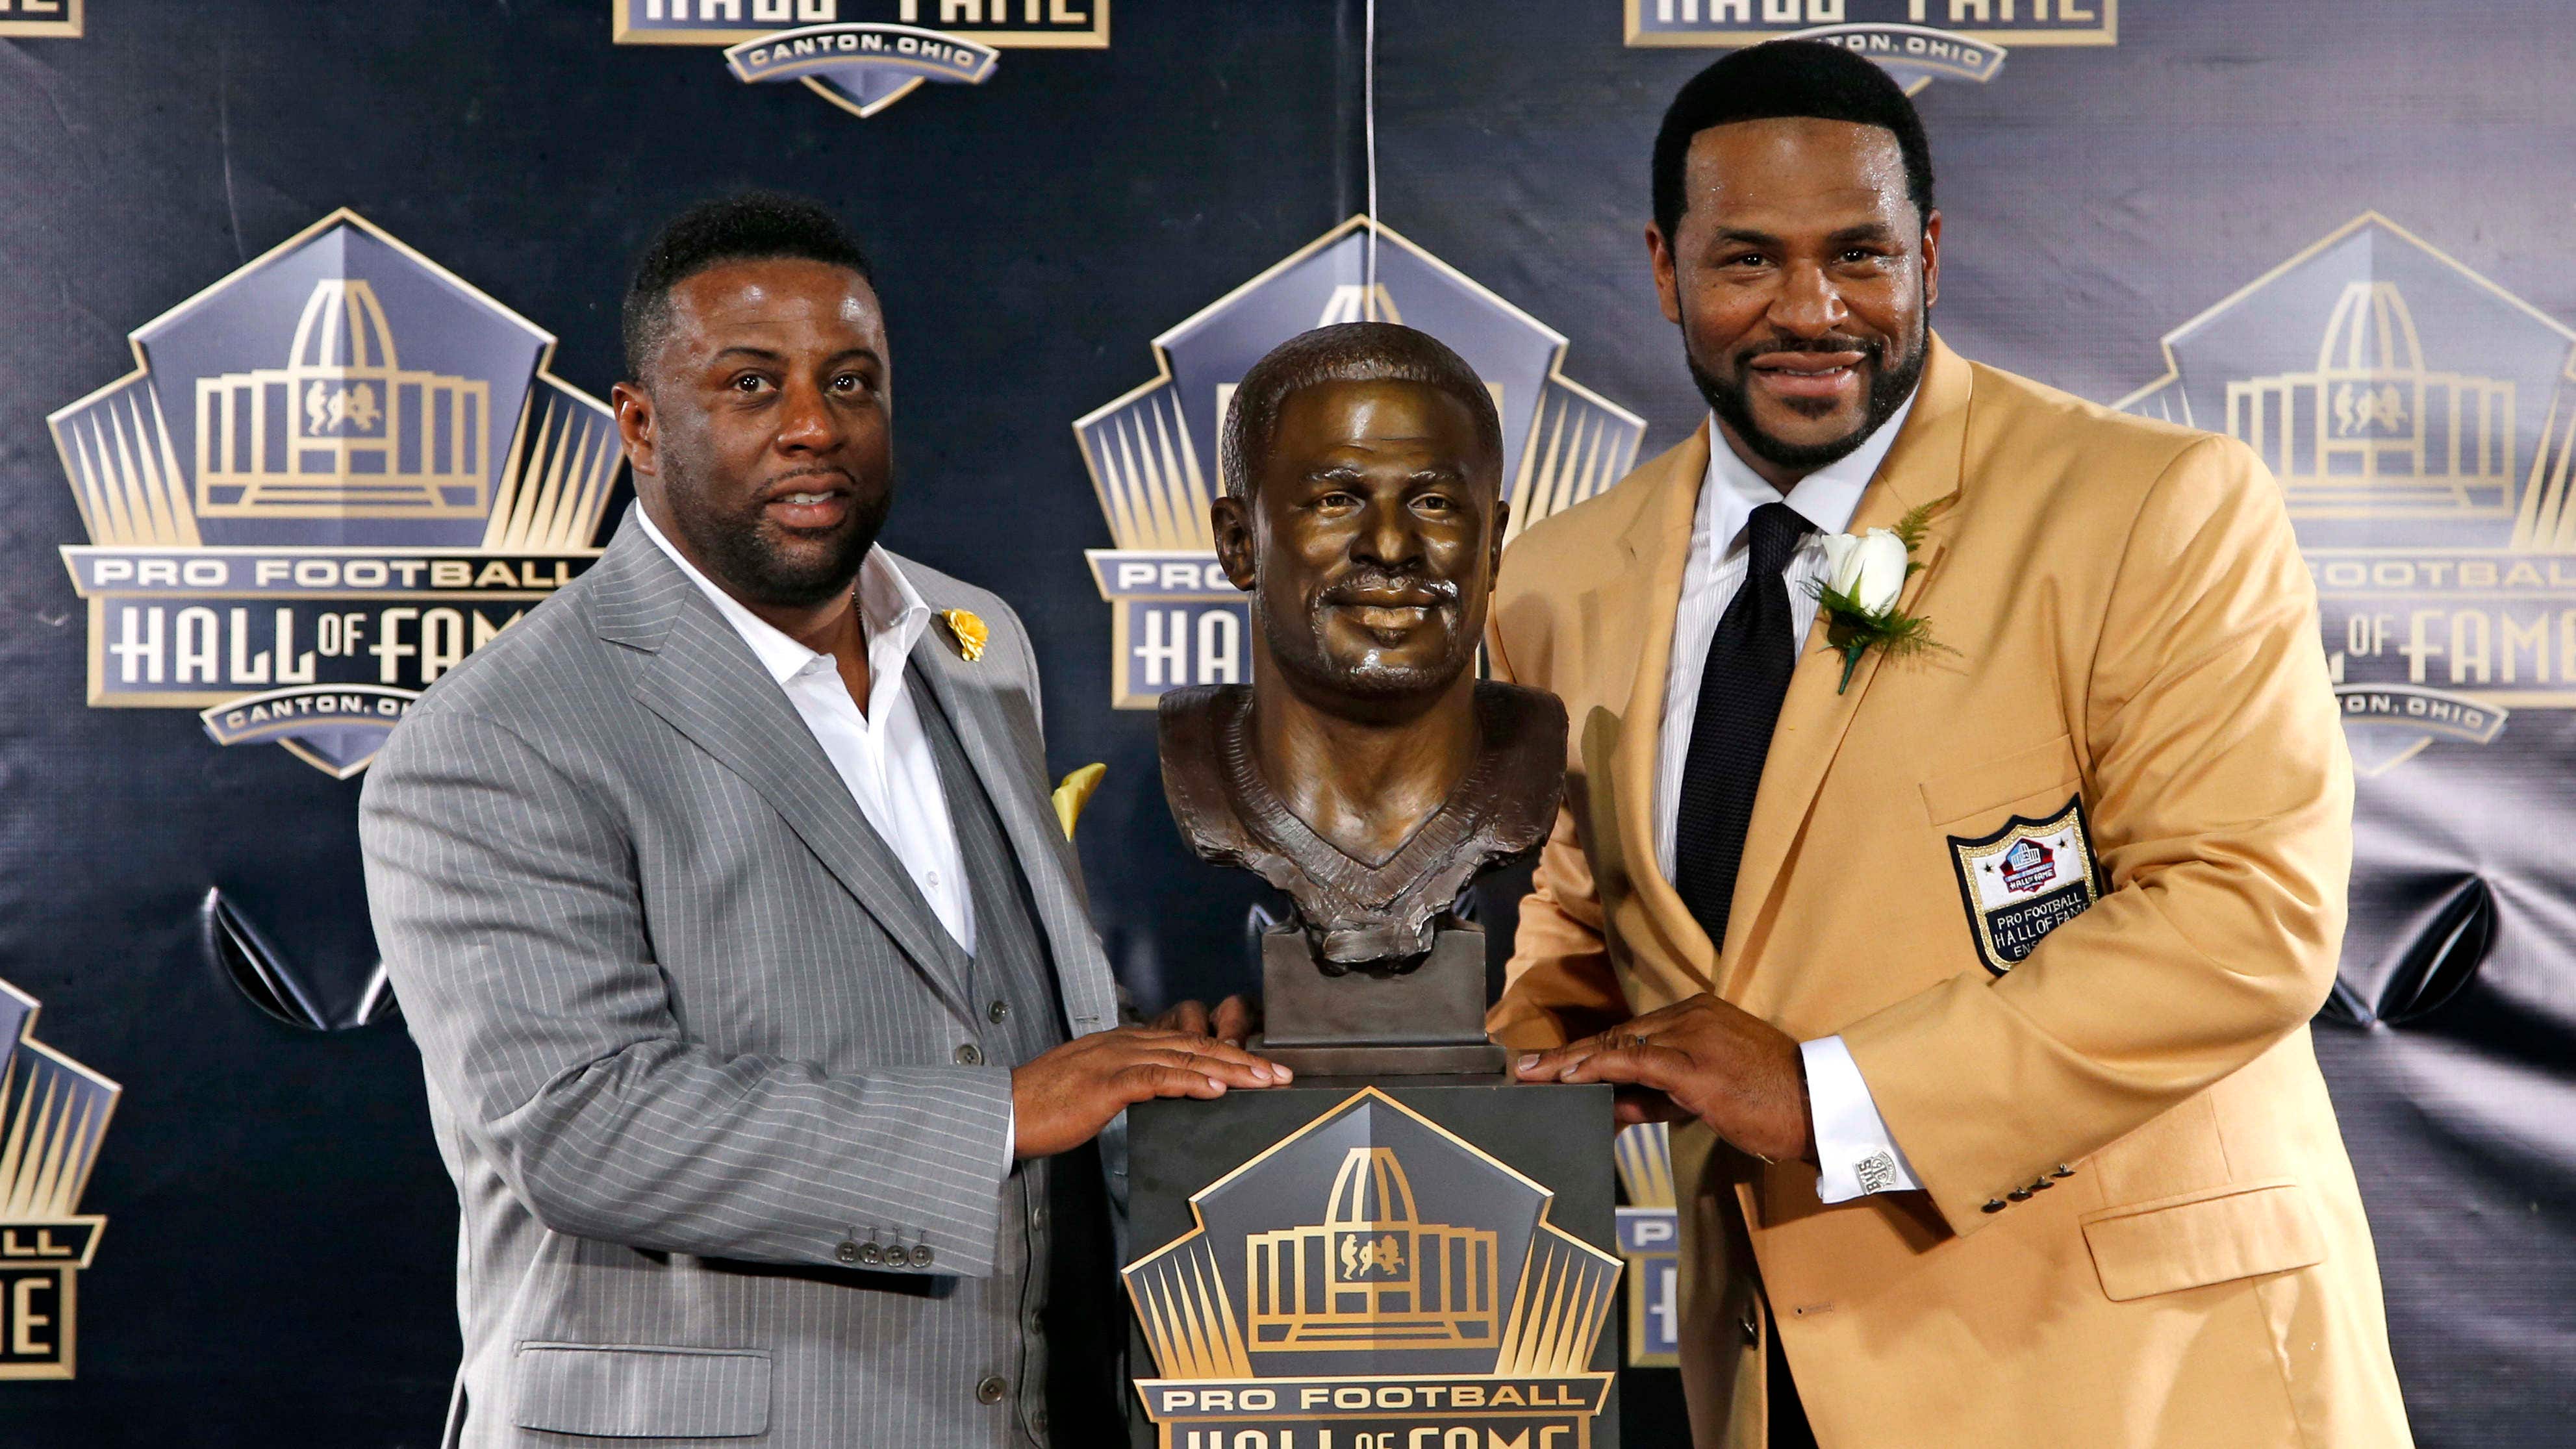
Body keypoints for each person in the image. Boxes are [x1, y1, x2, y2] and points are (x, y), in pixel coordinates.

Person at [1489, 42, 2412, 1449]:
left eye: (1858, 254)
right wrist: (1407, 1070)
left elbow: (2249, 916)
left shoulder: (2151, 505)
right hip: (1778, 1372)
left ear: (1927, 252)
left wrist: (1831, 1095)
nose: (1812, 309)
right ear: (1667, 271)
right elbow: (1585, 916)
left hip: (2142, 1370)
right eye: (1747, 261)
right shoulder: (1553, 580)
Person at [360, 192, 1283, 1449]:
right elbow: (586, 1126)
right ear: (639, 425)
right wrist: (1015, 1110)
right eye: (751, 385)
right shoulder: (499, 733)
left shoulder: (977, 641)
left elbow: (977, 1009)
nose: (812, 426)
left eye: (851, 381)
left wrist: (1130, 1066)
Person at [1159, 321, 1564, 968]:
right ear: (1239, 544)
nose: (1391, 545)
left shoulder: (1556, 783)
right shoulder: (1186, 777)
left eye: (1434, 502)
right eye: (1336, 500)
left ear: (1491, 544)